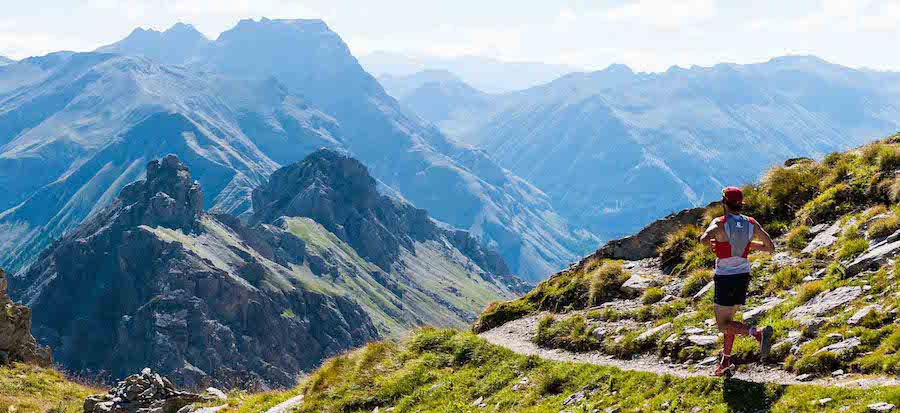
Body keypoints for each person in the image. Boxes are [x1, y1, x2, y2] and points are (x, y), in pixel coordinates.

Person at [699, 186, 775, 377]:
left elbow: (703, 239)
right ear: (740, 205)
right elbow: (770, 247)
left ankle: (757, 333)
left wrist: (715, 243)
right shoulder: (751, 223)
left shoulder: (720, 222)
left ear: (724, 203)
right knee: (730, 322)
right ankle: (725, 362)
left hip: (725, 278)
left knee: (723, 325)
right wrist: (746, 245)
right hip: (743, 277)